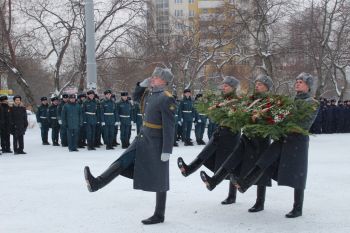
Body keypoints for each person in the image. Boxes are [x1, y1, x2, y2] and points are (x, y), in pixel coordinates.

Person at [84, 67, 176, 225]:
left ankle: (159, 214)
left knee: (160, 177)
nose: (153, 78)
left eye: (156, 77)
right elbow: (136, 97)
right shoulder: (149, 93)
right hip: (142, 137)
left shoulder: (166, 98)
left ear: (164, 81)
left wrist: (167, 149)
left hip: (156, 141)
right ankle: (97, 183)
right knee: (123, 160)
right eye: (153, 75)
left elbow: (169, 126)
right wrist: (141, 84)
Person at [234, 73, 319, 218]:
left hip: (298, 141)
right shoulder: (290, 101)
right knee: (264, 160)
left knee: (298, 175)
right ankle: (244, 183)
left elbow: (304, 123)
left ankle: (297, 208)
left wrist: (285, 121)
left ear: (308, 86)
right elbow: (279, 118)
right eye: (297, 81)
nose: (297, 84)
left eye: (301, 82)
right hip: (282, 138)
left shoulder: (312, 103)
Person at [200, 74, 273, 211]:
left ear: (267, 88)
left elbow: (271, 119)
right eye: (256, 83)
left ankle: (260, 202)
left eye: (260, 84)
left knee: (259, 170)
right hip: (247, 136)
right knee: (231, 161)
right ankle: (214, 181)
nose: (257, 85)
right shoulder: (250, 100)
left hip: (261, 139)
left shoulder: (271, 101)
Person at [177, 76, 241, 204]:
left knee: (230, 164)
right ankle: (189, 169)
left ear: (233, 87)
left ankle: (232, 195)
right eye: (223, 85)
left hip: (231, 134)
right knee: (205, 152)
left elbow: (238, 117)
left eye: (226, 86)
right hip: (220, 131)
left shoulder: (238, 100)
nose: (223, 87)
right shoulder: (220, 99)